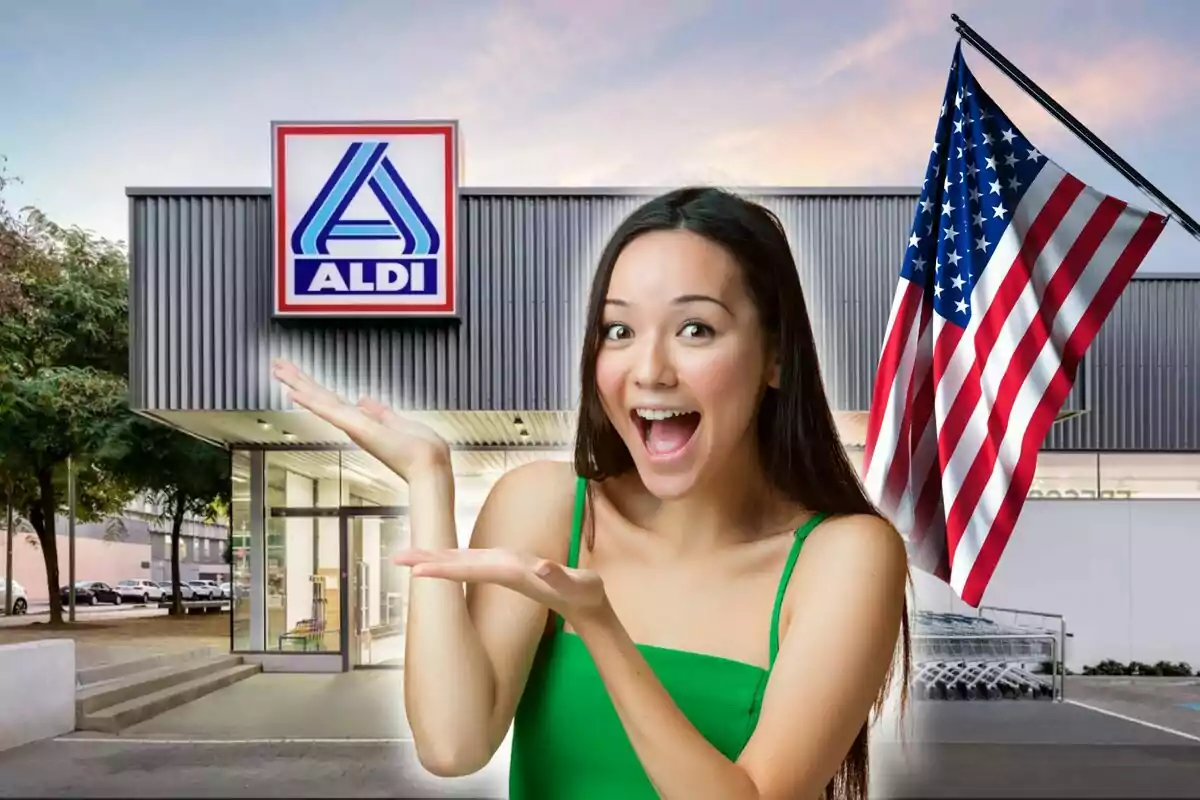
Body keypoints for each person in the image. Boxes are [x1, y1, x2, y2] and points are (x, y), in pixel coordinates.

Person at [273, 186, 912, 800]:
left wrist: (599, 625)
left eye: (696, 330)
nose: (650, 370)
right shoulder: (544, 508)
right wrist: (427, 478)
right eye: (619, 331)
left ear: (774, 356)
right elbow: (452, 745)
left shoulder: (845, 556)